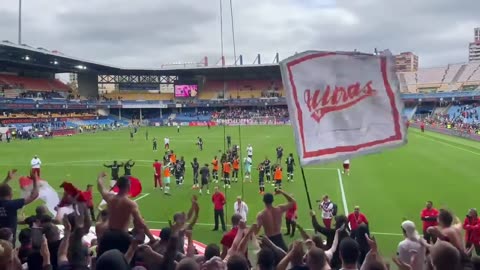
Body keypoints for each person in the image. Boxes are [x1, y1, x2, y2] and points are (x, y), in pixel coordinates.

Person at [96, 173, 155, 256]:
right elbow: (141, 224)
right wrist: (152, 239)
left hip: (108, 235)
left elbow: (100, 188)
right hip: (122, 237)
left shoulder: (110, 198)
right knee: (124, 262)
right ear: (128, 186)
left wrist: (100, 177)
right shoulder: (130, 204)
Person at [0, 169, 39, 246]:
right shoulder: (12, 204)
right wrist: (35, 180)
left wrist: (7, 179)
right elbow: (34, 195)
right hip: (9, 238)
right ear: (10, 195)